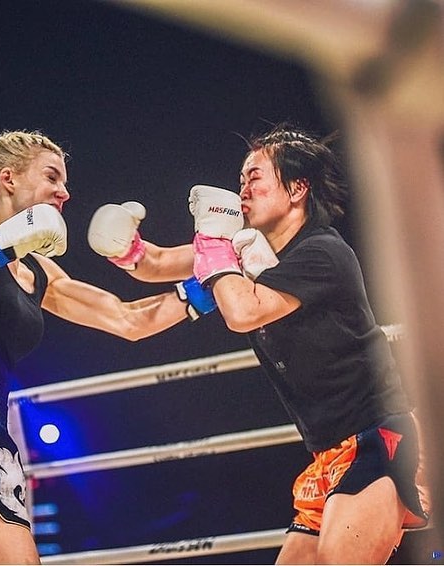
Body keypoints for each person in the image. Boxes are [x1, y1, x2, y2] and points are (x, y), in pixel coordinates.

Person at [87, 123, 430, 564]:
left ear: (297, 189)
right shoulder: (244, 249)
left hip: (378, 440)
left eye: (255, 177)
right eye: (241, 179)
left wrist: (215, 245)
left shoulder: (323, 253)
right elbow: (159, 264)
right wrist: (127, 250)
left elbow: (243, 312)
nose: (242, 190)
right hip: (327, 454)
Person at [0, 130, 203, 564]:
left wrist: (211, 283)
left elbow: (127, 319)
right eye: (52, 177)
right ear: (9, 178)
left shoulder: (38, 270)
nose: (65, 192)